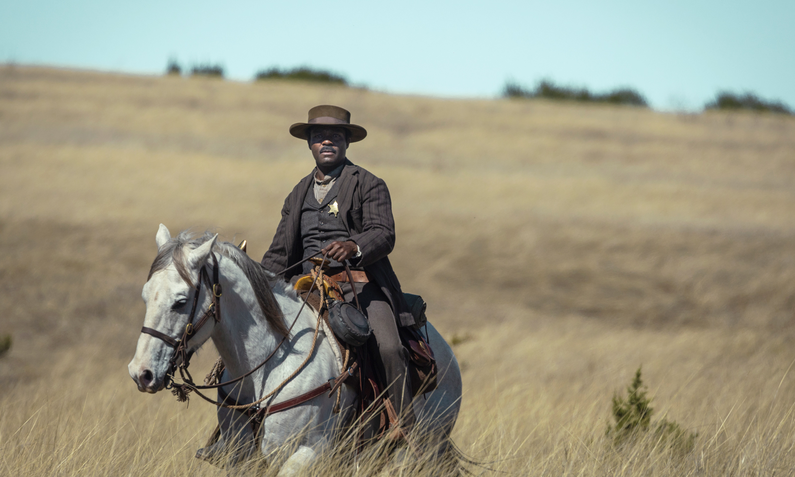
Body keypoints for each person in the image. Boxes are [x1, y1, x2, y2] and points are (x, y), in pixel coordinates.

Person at [261, 104, 416, 434]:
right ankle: (235, 431)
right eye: (319, 136)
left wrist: (354, 246)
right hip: (304, 287)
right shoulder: (297, 193)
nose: (326, 142)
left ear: (346, 142)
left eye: (334, 136)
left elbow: (383, 233)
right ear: (309, 144)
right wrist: (258, 285)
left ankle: (403, 425)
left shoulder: (368, 183)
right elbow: (278, 252)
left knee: (389, 347)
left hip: (359, 286)